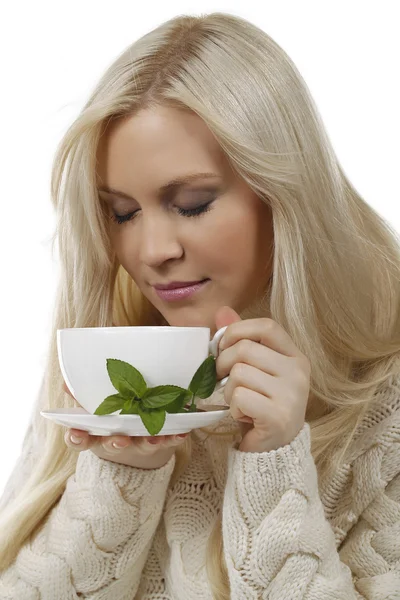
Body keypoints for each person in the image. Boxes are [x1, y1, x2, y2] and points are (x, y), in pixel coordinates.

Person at [0, 11, 399, 600]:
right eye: (122, 213)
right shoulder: (108, 364)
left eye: (191, 203)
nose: (152, 252)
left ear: (283, 195)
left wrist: (274, 464)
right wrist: (120, 477)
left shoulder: (385, 402)